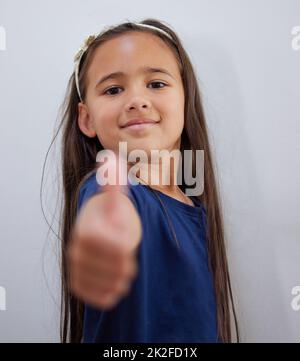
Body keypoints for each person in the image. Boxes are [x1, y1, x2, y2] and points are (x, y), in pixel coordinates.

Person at [56, 18, 238, 343]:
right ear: (87, 119)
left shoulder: (196, 210)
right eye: (113, 90)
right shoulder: (109, 188)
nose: (137, 101)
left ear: (185, 98)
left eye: (155, 84)